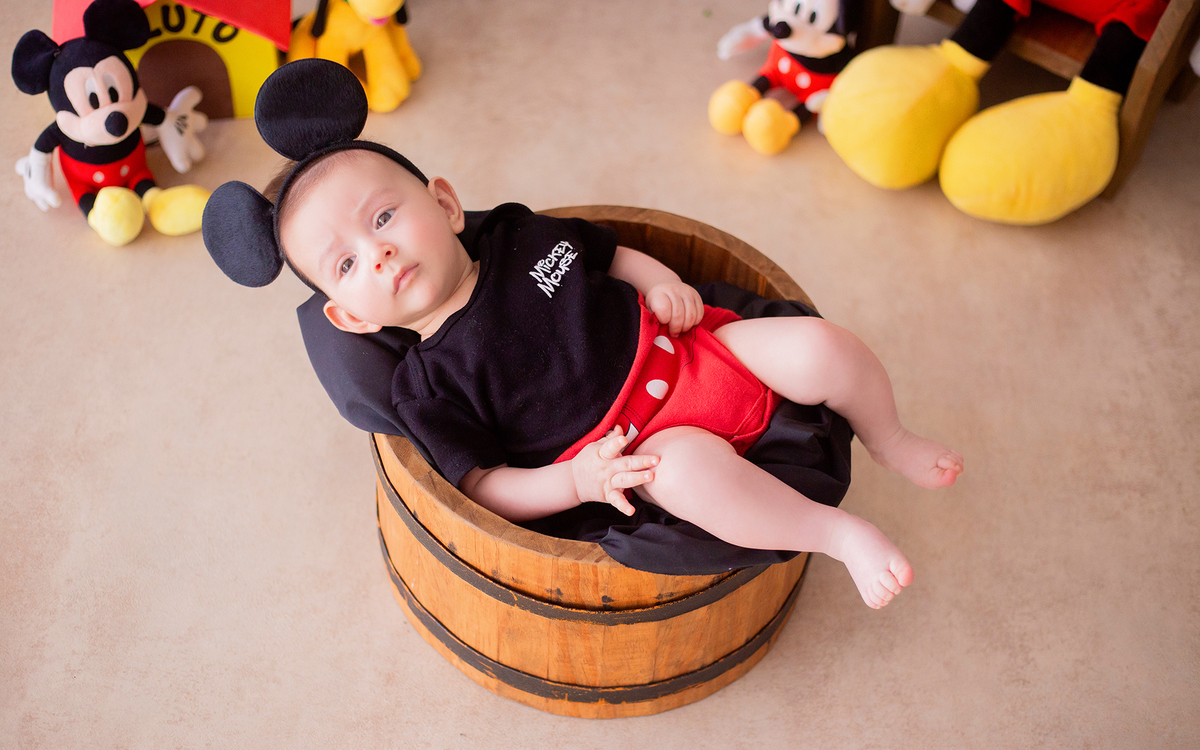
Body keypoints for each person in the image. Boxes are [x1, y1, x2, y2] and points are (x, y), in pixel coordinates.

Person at [266, 145, 964, 610]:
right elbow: (483, 486)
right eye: (346, 264)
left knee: (819, 347)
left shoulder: (517, 237)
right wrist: (575, 482)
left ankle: (889, 436)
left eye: (384, 216)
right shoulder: (428, 386)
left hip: (694, 351)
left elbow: (608, 255)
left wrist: (660, 283)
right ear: (350, 318)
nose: (379, 251)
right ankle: (834, 534)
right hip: (637, 448)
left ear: (446, 205)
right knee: (688, 476)